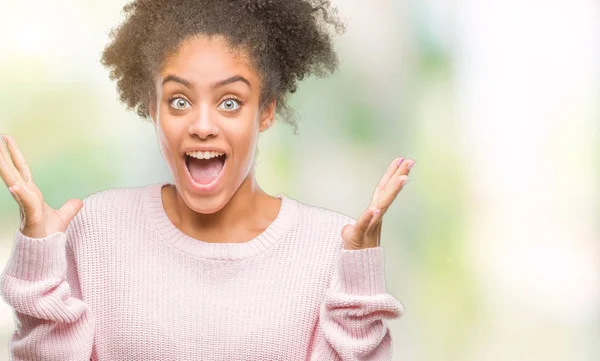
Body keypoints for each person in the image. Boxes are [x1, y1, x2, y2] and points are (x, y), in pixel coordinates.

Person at [0, 0, 414, 359]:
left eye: (230, 102)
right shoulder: (97, 228)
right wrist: (40, 260)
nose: (202, 125)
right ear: (153, 108)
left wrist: (359, 277)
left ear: (266, 111)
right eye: (179, 101)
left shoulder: (329, 245)